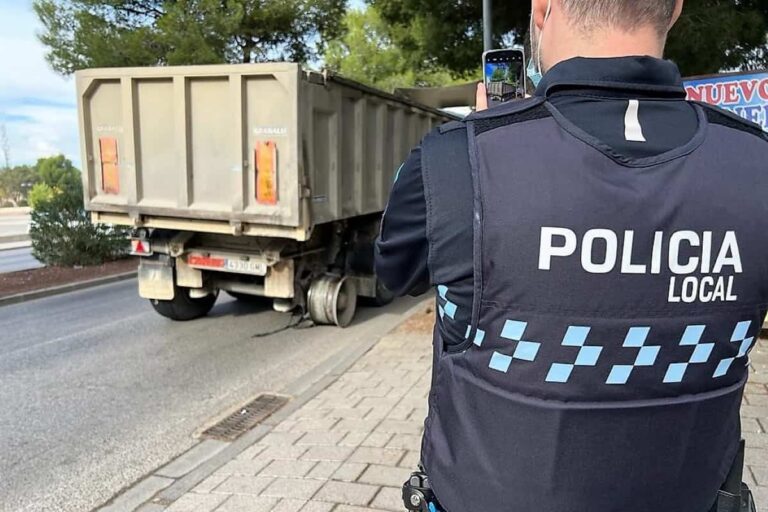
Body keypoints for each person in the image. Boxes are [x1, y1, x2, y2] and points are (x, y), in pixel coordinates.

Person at [375, 0, 765, 511]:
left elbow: (394, 272)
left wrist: (490, 146)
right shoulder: (755, 162)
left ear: (542, 8)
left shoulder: (453, 159)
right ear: (673, 10)